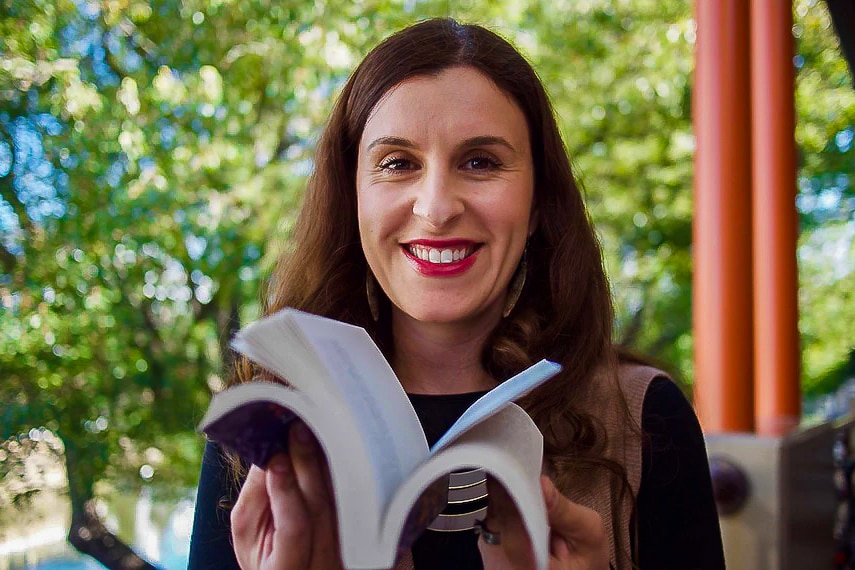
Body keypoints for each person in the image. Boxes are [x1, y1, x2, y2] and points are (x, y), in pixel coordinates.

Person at [188, 18, 725, 570]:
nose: (437, 207)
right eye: (398, 164)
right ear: (353, 198)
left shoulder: (643, 418)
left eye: (480, 162)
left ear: (538, 202)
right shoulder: (265, 428)